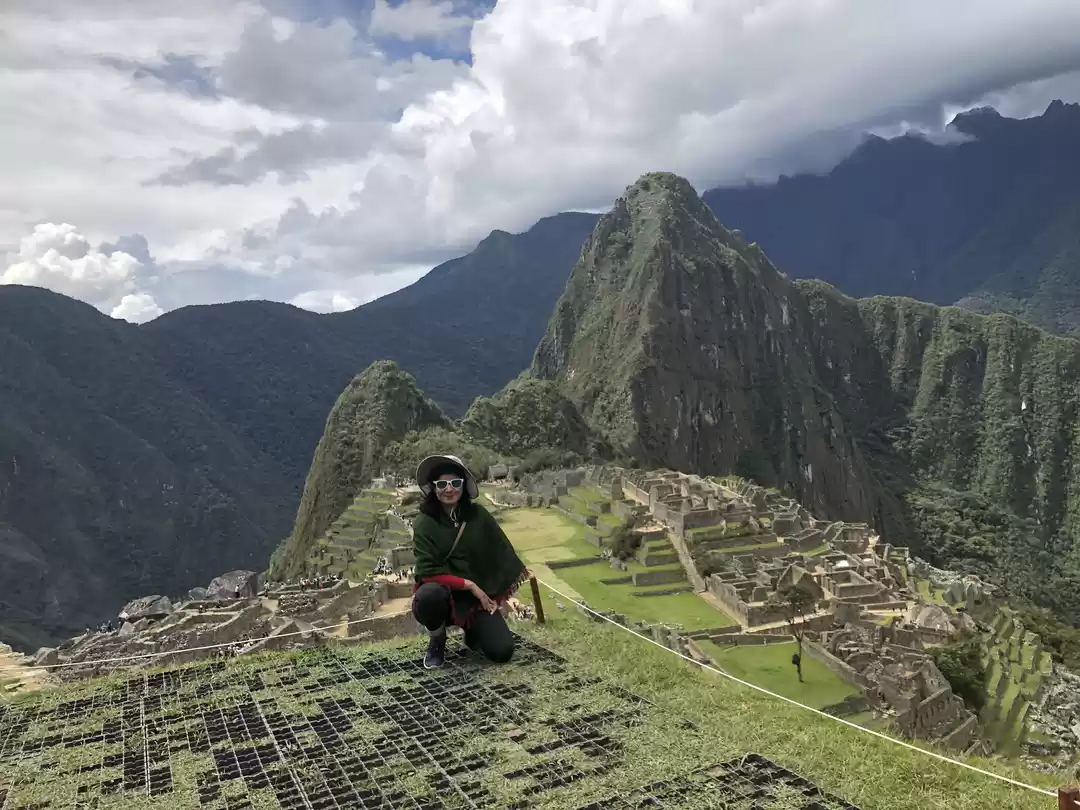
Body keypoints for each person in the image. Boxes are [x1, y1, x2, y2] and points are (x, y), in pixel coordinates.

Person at [411, 454, 529, 669]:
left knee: (502, 651)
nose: (449, 489)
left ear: (464, 486)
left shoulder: (478, 516)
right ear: (433, 487)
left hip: (475, 602)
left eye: (455, 483)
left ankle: (473, 631)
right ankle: (437, 639)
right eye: (442, 484)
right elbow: (427, 571)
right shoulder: (424, 522)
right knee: (428, 595)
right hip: (442, 596)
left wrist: (495, 595)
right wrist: (471, 586)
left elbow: (499, 552)